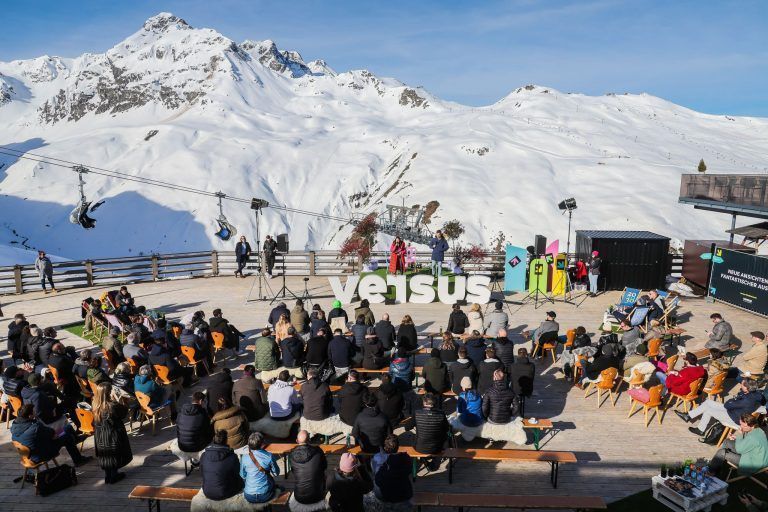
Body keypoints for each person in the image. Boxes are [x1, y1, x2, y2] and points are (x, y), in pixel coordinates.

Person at [11, 403, 92, 467]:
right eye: (34, 412)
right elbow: (53, 435)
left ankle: (76, 439)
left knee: (67, 428)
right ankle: (78, 460)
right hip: (41, 455)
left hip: (28, 456)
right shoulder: (35, 427)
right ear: (30, 416)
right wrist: (38, 422)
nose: (35, 412)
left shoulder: (14, 426)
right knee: (67, 436)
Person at [676, 379, 765, 435]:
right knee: (708, 402)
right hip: (737, 410)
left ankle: (700, 430)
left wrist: (734, 399)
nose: (740, 385)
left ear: (746, 388)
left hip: (734, 417)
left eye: (742, 384)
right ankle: (688, 416)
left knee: (709, 410)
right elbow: (735, 401)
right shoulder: (757, 394)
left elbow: (727, 404)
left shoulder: (746, 400)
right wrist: (737, 397)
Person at [92, 382, 133, 484]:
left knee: (105, 455)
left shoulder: (95, 405)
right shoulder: (112, 406)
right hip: (112, 435)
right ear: (109, 393)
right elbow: (124, 412)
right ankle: (114, 476)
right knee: (113, 455)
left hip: (100, 436)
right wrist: (118, 399)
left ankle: (107, 476)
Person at [709, 413, 768, 478]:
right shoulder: (758, 430)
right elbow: (748, 442)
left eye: (743, 426)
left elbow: (739, 449)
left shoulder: (753, 437)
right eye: (740, 424)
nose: (741, 427)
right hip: (755, 455)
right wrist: (738, 437)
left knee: (721, 452)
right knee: (727, 442)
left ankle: (710, 472)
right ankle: (719, 466)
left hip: (752, 463)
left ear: (752, 425)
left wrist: (740, 435)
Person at [200, 430, 244, 500]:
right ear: (226, 441)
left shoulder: (204, 455)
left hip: (207, 491)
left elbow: (202, 473)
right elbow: (237, 473)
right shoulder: (232, 456)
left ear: (213, 440)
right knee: (242, 482)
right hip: (225, 492)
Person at [240, 432, 281, 504]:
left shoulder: (244, 457)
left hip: (249, 496)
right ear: (262, 444)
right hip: (265, 495)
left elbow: (243, 475)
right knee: (279, 487)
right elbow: (276, 473)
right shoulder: (269, 456)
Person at [371, 434, 413, 504]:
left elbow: (374, 471)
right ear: (397, 447)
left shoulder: (376, 457)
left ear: (384, 447)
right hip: (402, 495)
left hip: (381, 494)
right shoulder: (405, 458)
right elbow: (409, 471)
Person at [290, 430, 328, 505]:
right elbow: (324, 466)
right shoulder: (318, 451)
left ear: (297, 441)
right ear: (309, 440)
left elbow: (293, 472)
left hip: (299, 497)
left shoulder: (292, 454)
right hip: (318, 496)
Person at [414, 393, 449, 469]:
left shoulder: (416, 413)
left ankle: (424, 460)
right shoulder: (441, 414)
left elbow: (407, 427)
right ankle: (435, 463)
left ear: (424, 402)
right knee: (445, 439)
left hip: (419, 447)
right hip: (437, 448)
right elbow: (447, 429)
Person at [176, 391, 213, 456]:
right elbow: (207, 430)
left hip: (182, 446)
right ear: (201, 401)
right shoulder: (202, 414)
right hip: (197, 447)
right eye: (204, 402)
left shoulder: (181, 412)